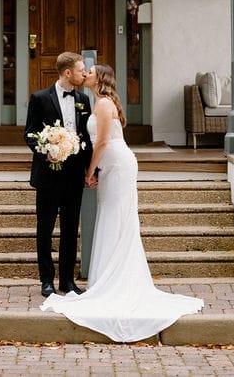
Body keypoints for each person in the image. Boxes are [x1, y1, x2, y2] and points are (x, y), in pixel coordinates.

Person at [40, 63, 204, 342]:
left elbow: (102, 143)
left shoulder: (103, 104)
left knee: (116, 219)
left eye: (89, 71)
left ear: (99, 78)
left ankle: (117, 282)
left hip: (118, 166)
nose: (86, 73)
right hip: (112, 167)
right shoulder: (96, 102)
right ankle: (108, 279)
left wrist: (90, 171)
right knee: (112, 218)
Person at [23, 52, 93, 298]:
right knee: (45, 228)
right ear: (67, 73)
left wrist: (91, 170)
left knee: (71, 228)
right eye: (80, 70)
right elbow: (30, 134)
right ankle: (46, 281)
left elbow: (87, 137)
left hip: (74, 174)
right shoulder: (40, 98)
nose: (84, 74)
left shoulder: (83, 99)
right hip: (48, 174)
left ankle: (67, 281)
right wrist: (46, 152)